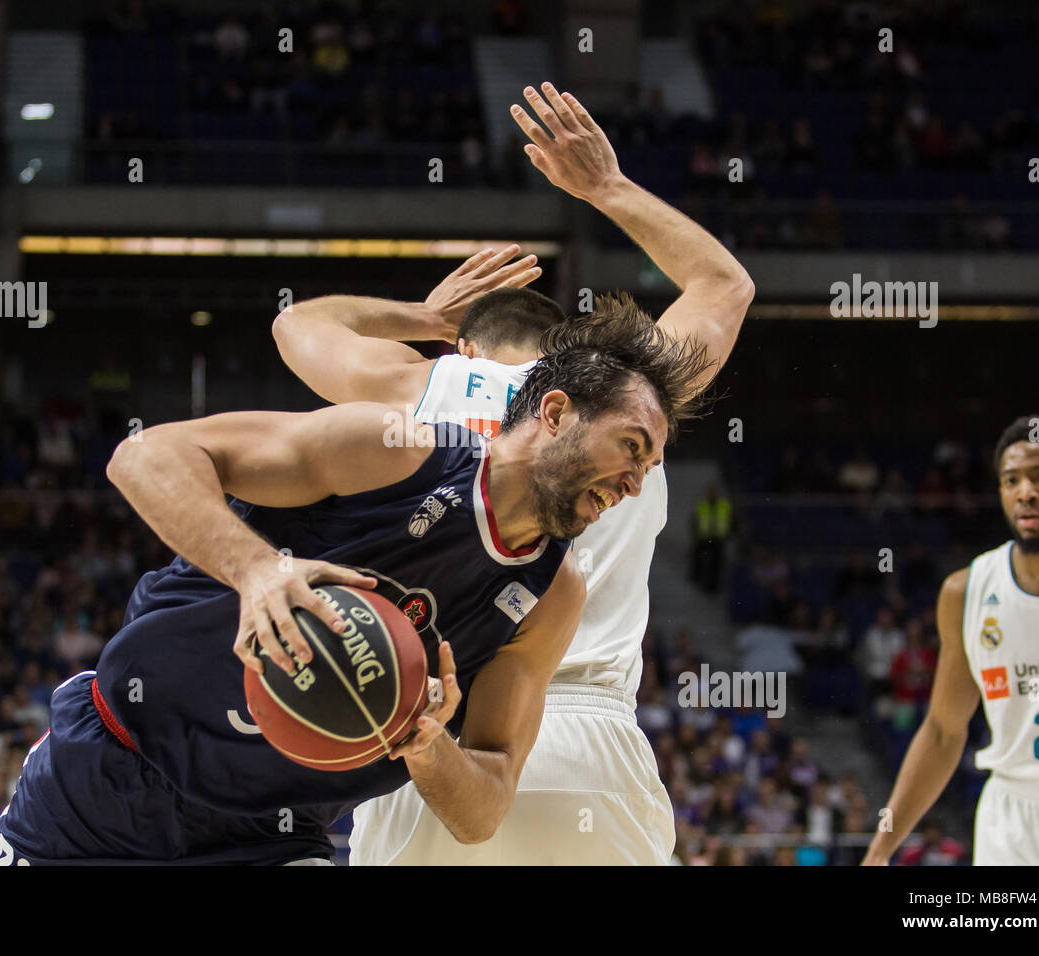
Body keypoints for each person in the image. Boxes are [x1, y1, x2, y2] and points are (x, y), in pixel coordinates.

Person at [0, 323, 709, 865]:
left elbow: (484, 805)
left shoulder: (554, 597)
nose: (636, 483)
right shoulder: (399, 450)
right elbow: (145, 457)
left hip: (268, 836)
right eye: (632, 447)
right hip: (113, 764)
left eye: (651, 467)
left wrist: (429, 749)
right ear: (554, 412)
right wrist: (258, 571)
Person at [275, 83, 751, 864]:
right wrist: (606, 186)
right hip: (588, 744)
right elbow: (725, 286)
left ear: (463, 349)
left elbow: (298, 323)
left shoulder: (423, 386)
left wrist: (424, 318)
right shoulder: (627, 407)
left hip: (433, 737)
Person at [864, 415, 1039, 865]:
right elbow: (944, 732)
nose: (1026, 491)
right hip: (1012, 818)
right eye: (1012, 480)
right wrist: (880, 850)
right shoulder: (966, 592)